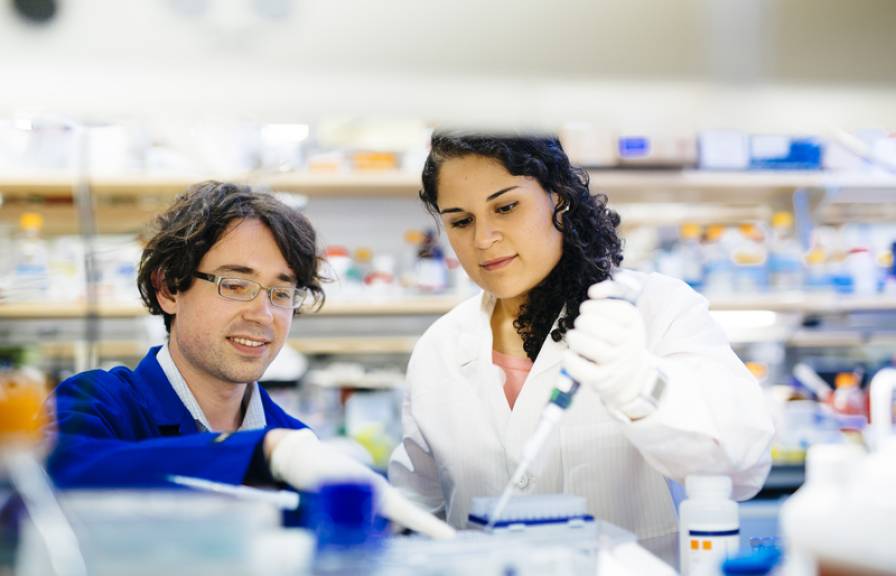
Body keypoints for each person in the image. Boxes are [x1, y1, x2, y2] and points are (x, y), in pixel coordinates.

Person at [388, 134, 775, 552]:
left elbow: (741, 467)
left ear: (558, 197)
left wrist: (639, 384)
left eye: (506, 207)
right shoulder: (440, 349)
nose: (483, 238)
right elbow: (417, 512)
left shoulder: (657, 309)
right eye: (461, 221)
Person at [48, 181, 454, 539]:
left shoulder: (297, 444)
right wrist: (258, 454)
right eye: (236, 284)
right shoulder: (99, 404)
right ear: (169, 289)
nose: (263, 314)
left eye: (281, 293)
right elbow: (51, 479)